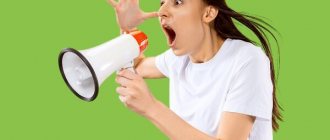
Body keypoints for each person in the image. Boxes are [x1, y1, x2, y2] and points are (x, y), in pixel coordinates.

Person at [108, 0, 282, 139]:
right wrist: (128, 29)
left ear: (208, 13)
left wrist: (151, 107)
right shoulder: (178, 59)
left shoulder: (247, 59)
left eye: (177, 2)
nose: (161, 11)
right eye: (162, 2)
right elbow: (136, 67)